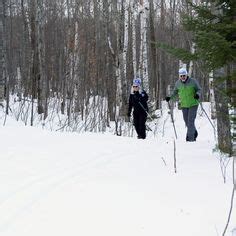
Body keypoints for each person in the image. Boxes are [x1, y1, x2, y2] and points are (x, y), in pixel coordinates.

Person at [165, 68, 201, 142]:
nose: (183, 77)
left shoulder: (193, 81)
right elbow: (175, 92)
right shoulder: (178, 83)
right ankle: (194, 132)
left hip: (193, 104)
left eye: (184, 75)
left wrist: (197, 95)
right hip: (184, 105)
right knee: (186, 121)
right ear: (179, 76)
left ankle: (190, 139)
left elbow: (199, 89)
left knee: (190, 121)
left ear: (186, 75)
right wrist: (169, 97)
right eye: (181, 76)